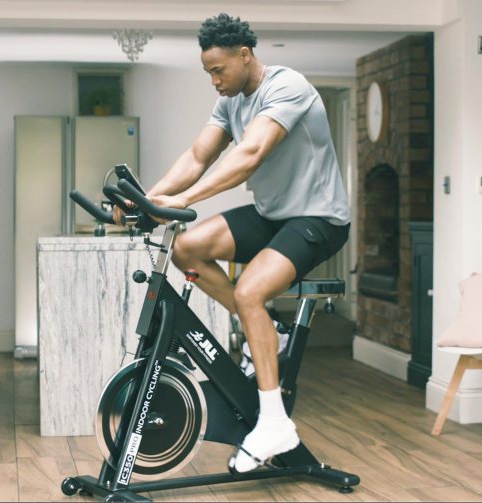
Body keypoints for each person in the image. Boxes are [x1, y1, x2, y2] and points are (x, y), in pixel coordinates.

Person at [116, 13, 350, 473]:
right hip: (271, 214)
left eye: (218, 70)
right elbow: (199, 155)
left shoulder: (288, 87)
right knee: (187, 248)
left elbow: (249, 155)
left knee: (250, 292)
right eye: (207, 72)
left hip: (318, 218)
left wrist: (180, 199)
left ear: (245, 56)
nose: (214, 81)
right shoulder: (230, 102)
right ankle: (270, 334)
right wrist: (150, 198)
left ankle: (275, 422)